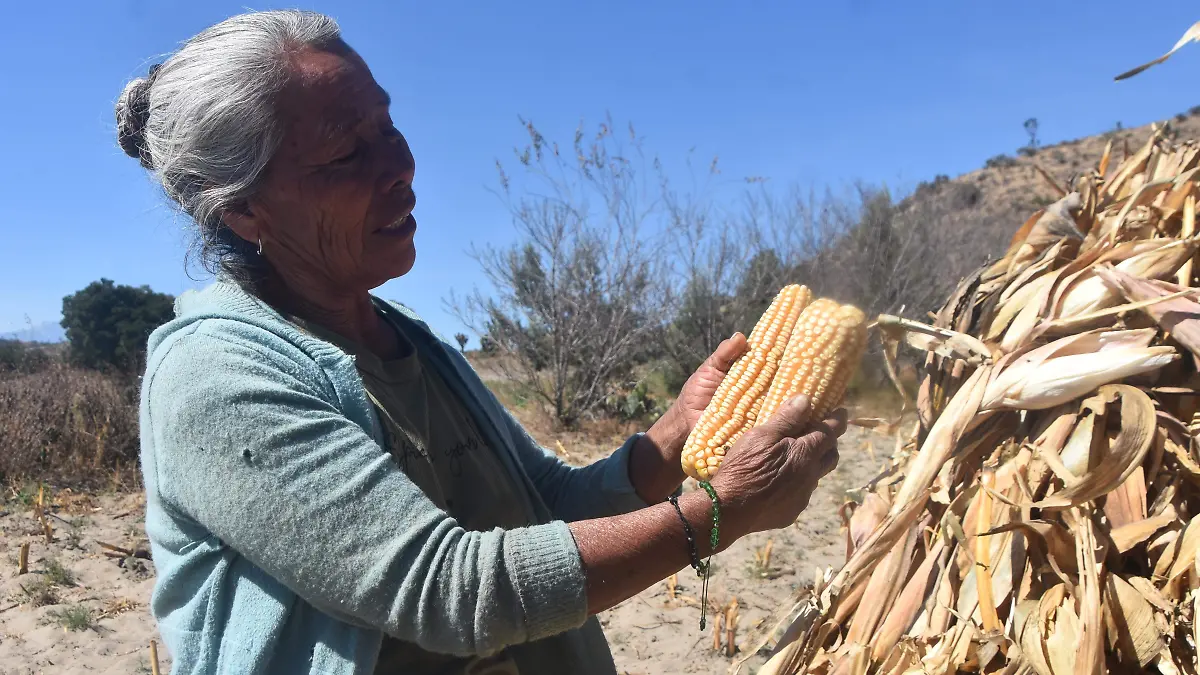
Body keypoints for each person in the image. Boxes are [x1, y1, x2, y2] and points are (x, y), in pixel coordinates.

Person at [119, 9, 846, 675]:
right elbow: (446, 587)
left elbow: (543, 505)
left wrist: (678, 431)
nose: (399, 167)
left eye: (388, 128)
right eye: (347, 152)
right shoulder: (216, 372)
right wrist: (719, 511)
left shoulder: (411, 340)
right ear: (246, 208)